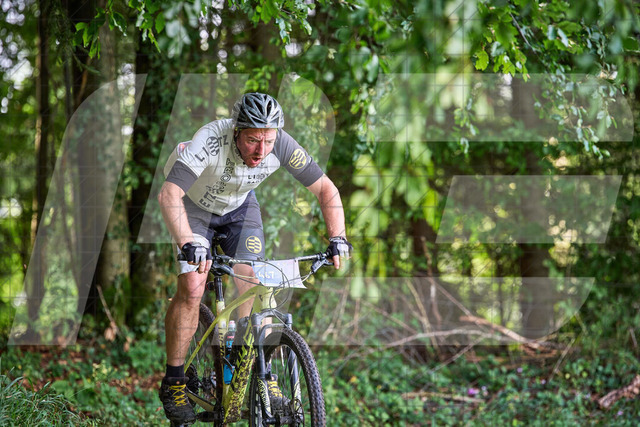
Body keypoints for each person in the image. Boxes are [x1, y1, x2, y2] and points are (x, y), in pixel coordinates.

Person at [156, 92, 352, 424]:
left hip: (239, 209)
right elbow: (169, 193)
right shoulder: (211, 139)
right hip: (194, 208)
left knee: (253, 279)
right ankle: (174, 381)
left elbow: (325, 189)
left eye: (268, 141)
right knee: (192, 285)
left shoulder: (283, 144)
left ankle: (248, 365)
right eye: (252, 141)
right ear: (236, 132)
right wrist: (188, 241)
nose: (261, 151)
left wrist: (338, 238)